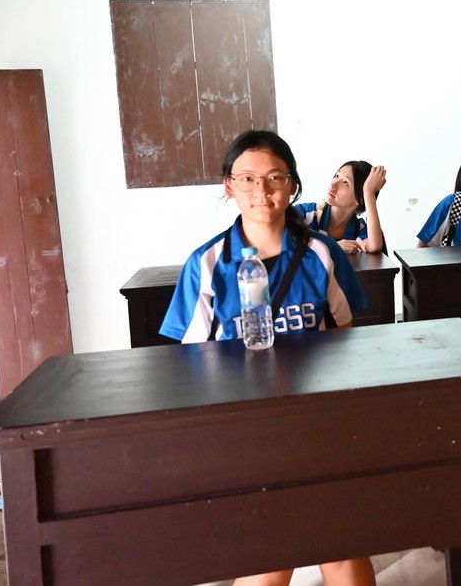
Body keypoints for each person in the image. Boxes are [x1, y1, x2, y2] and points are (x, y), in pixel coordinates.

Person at [159, 129, 375, 586]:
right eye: (248, 178)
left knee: (340, 546)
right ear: (229, 186)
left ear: (292, 184)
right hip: (246, 436)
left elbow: (344, 338)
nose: (262, 190)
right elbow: (189, 365)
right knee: (271, 556)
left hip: (317, 427)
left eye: (275, 177)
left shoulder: (322, 253)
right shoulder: (207, 264)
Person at [296, 161, 387, 254]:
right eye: (337, 176)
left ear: (360, 199)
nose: (333, 185)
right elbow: (288, 244)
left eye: (345, 182)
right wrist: (333, 247)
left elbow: (374, 246)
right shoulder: (305, 213)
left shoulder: (358, 230)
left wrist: (369, 193)